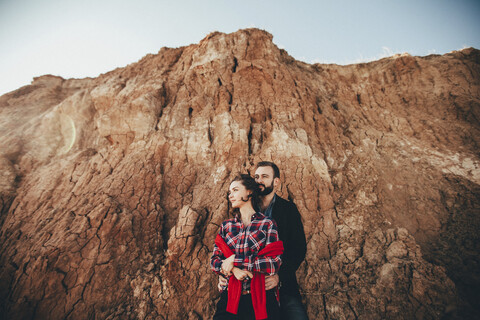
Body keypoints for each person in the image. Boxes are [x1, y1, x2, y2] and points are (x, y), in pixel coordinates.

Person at [218, 162, 308, 320]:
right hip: (245, 287)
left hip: (280, 283)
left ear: (276, 182)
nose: (259, 180)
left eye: (265, 177)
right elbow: (225, 250)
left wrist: (279, 276)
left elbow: (298, 249)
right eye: (257, 176)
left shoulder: (288, 210)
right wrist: (227, 271)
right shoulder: (244, 207)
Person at [211, 174, 284, 320]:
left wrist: (234, 260)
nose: (231, 195)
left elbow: (272, 263)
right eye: (230, 192)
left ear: (249, 192)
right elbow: (215, 261)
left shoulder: (267, 223)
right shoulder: (227, 226)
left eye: (235, 190)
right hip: (230, 297)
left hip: (261, 297)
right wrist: (234, 269)